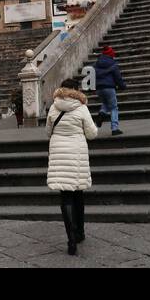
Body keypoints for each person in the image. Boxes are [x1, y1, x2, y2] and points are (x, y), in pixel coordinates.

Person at [46, 78, 99, 254]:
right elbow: (92, 134)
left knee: (65, 196)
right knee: (78, 193)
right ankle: (80, 232)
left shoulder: (54, 107)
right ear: (76, 90)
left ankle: (70, 240)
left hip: (59, 152)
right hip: (76, 153)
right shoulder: (82, 107)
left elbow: (48, 132)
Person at [93, 45, 126, 136]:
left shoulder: (96, 63)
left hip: (99, 88)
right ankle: (114, 128)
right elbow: (118, 77)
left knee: (105, 103)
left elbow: (92, 75)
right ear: (111, 54)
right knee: (114, 107)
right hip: (109, 87)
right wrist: (122, 86)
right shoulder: (113, 64)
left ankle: (101, 114)